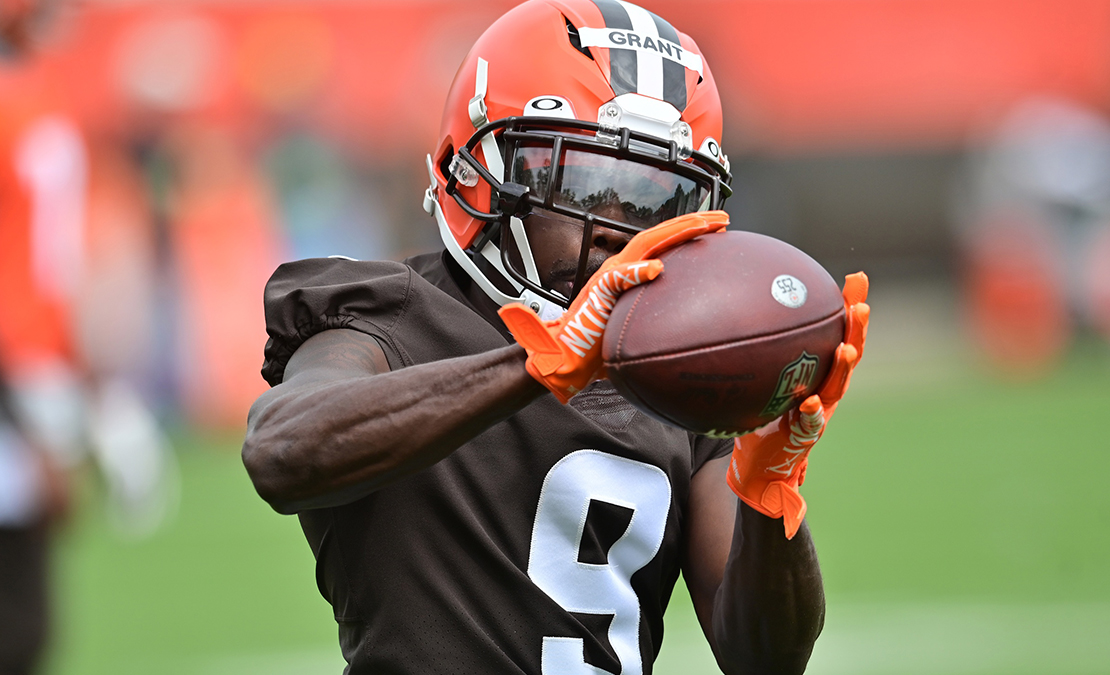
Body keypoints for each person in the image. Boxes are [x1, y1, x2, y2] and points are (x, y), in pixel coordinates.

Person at [242, 1, 869, 673]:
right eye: (581, 182)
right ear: (481, 169)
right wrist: (537, 364)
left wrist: (769, 489)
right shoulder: (387, 315)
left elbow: (766, 658)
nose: (615, 227)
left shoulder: (676, 372)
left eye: (656, 198)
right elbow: (281, 452)